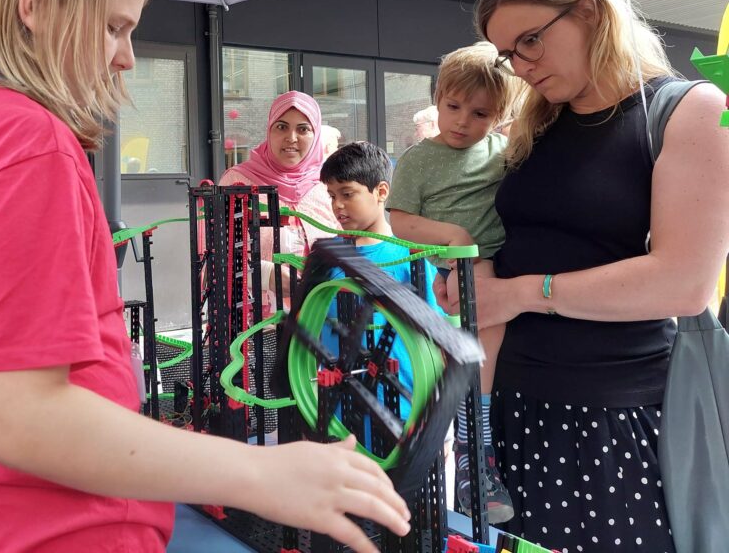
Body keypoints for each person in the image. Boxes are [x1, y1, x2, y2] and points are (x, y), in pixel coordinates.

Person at [0, 0, 410, 553]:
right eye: (114, 27)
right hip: (48, 527)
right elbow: (22, 418)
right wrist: (260, 473)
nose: (127, 56)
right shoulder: (24, 142)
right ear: (34, 6)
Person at [437, 0, 729, 552]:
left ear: (591, 12)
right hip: (508, 406)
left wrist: (516, 293)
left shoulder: (689, 109)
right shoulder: (536, 124)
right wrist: (465, 276)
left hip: (612, 415)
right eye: (509, 54)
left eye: (531, 41)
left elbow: (684, 283)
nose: (521, 66)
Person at [388, 42, 518, 523]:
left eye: (480, 112)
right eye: (453, 106)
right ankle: (468, 444)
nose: (463, 120)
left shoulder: (503, 151)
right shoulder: (421, 159)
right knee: (471, 339)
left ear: (499, 114)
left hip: (494, 264)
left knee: (483, 341)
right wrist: (454, 237)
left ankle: (473, 440)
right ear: (438, 99)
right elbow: (398, 219)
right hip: (452, 262)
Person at [320, 141, 440, 419]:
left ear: (381, 192)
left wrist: (438, 424)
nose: (337, 205)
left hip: (403, 406)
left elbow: (437, 337)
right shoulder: (326, 257)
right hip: (338, 409)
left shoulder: (411, 255)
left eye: (347, 193)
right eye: (331, 195)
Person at [219, 91, 338, 311]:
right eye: (282, 127)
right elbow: (212, 257)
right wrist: (266, 274)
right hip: (254, 330)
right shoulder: (237, 182)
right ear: (269, 130)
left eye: (303, 129)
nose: (291, 138)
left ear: (316, 134)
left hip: (321, 322)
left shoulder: (329, 185)